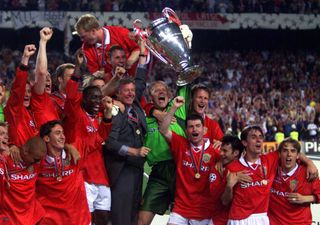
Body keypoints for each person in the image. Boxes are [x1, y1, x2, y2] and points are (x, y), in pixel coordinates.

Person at [221, 125, 318, 225]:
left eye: (261, 137)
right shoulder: (232, 167)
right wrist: (229, 186)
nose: (258, 140)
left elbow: (290, 150)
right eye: (254, 137)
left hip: (262, 218)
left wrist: (309, 162)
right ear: (245, 142)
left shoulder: (270, 159)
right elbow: (224, 202)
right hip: (239, 219)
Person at [104, 40, 149, 225]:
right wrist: (133, 152)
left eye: (132, 91)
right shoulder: (117, 111)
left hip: (136, 169)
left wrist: (143, 49)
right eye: (126, 91)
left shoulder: (135, 106)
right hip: (121, 169)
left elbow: (141, 79)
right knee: (121, 217)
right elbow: (110, 143)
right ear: (118, 94)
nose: (131, 94)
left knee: (133, 215)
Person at [159, 96, 220, 225]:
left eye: (198, 126)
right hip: (181, 208)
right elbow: (163, 130)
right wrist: (174, 107)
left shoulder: (215, 151)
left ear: (204, 130)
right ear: (186, 131)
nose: (194, 129)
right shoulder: (180, 144)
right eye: (191, 127)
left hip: (204, 210)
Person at [138, 81, 188, 225]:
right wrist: (152, 111)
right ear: (150, 98)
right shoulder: (145, 121)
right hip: (159, 173)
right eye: (155, 90)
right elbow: (137, 102)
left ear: (169, 94)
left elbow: (186, 82)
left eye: (163, 89)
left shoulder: (179, 110)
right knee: (141, 220)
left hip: (180, 169)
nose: (160, 91)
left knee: (180, 220)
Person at [36, 120, 98, 225]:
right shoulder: (37, 162)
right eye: (57, 133)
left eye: (63, 133)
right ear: (46, 138)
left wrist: (107, 118)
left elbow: (98, 138)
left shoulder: (75, 153)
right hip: (50, 221)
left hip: (79, 220)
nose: (63, 136)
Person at [268, 138, 320, 225]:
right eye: (285, 151)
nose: (289, 154)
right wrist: (309, 161)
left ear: (298, 155)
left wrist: (305, 198)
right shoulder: (270, 168)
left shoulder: (308, 173)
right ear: (279, 154)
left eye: (293, 151)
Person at [74, 14, 140, 78]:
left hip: (132, 79)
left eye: (83, 37)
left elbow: (138, 49)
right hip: (110, 84)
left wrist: (130, 61)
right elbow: (95, 72)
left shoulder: (120, 33)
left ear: (93, 31)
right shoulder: (86, 48)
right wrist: (98, 75)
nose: (82, 40)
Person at [0, 136, 47, 225]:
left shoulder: (38, 162)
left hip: (32, 218)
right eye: (36, 159)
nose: (38, 163)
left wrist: (68, 147)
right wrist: (10, 146)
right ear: (25, 151)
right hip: (9, 218)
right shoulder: (6, 159)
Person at [209, 135, 249, 225]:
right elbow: (219, 199)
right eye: (221, 150)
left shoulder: (247, 169)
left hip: (242, 220)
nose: (221, 153)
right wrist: (229, 184)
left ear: (235, 153)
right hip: (219, 220)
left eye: (225, 151)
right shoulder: (216, 169)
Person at [4, 44, 38, 147]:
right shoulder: (14, 109)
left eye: (29, 91)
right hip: (18, 160)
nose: (27, 94)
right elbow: (19, 86)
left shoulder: (31, 113)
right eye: (24, 92)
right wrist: (25, 58)